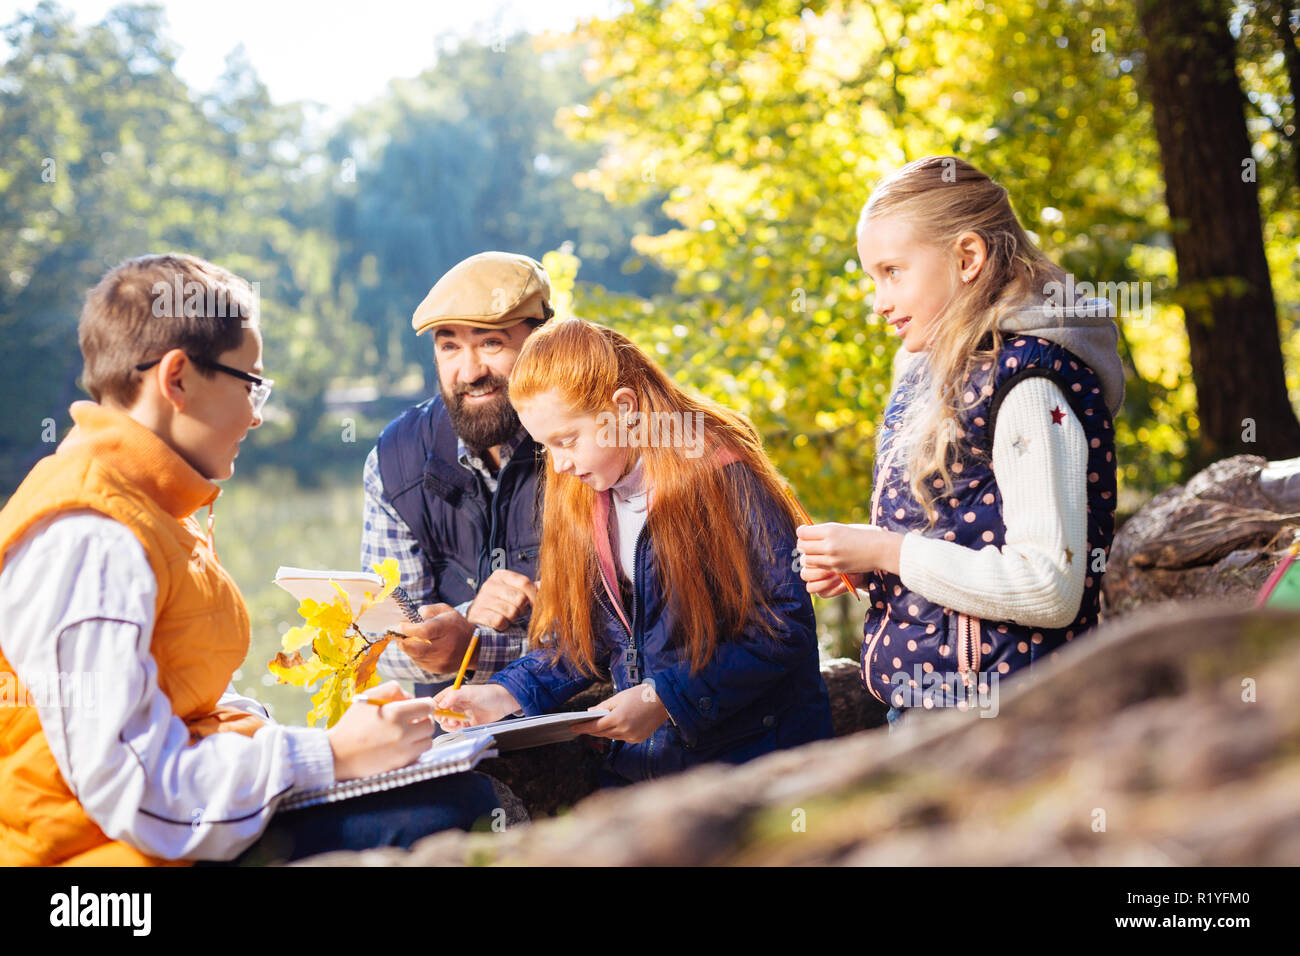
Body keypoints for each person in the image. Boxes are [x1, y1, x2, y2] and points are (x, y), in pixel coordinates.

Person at [0, 254, 500, 866]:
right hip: (93, 865)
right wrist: (331, 757)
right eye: (250, 383)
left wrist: (329, 743)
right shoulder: (90, 538)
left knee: (451, 795)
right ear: (178, 379)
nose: (257, 413)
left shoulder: (151, 506)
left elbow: (194, 702)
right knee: (437, 817)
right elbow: (133, 790)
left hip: (159, 833)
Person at [795, 156, 1124, 722]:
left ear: (967, 257)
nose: (879, 301)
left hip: (1012, 722)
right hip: (931, 708)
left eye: (892, 271)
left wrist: (886, 550)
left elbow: (1049, 586)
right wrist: (868, 562)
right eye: (873, 278)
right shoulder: (928, 375)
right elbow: (959, 535)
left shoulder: (1028, 384)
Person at [433, 319, 834, 783]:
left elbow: (784, 626)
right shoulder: (589, 492)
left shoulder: (724, 480)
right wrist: (506, 693)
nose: (559, 464)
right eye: (546, 448)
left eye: (566, 440)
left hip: (756, 768)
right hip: (651, 767)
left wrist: (664, 698)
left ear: (623, 409)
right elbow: (589, 635)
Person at [363, 252, 551, 698]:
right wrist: (464, 622)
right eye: (449, 346)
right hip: (455, 734)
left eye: (491, 343)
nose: (469, 372)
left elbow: (621, 636)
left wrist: (474, 645)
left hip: (585, 725)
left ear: (543, 341)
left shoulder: (585, 444)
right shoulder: (394, 461)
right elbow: (378, 639)